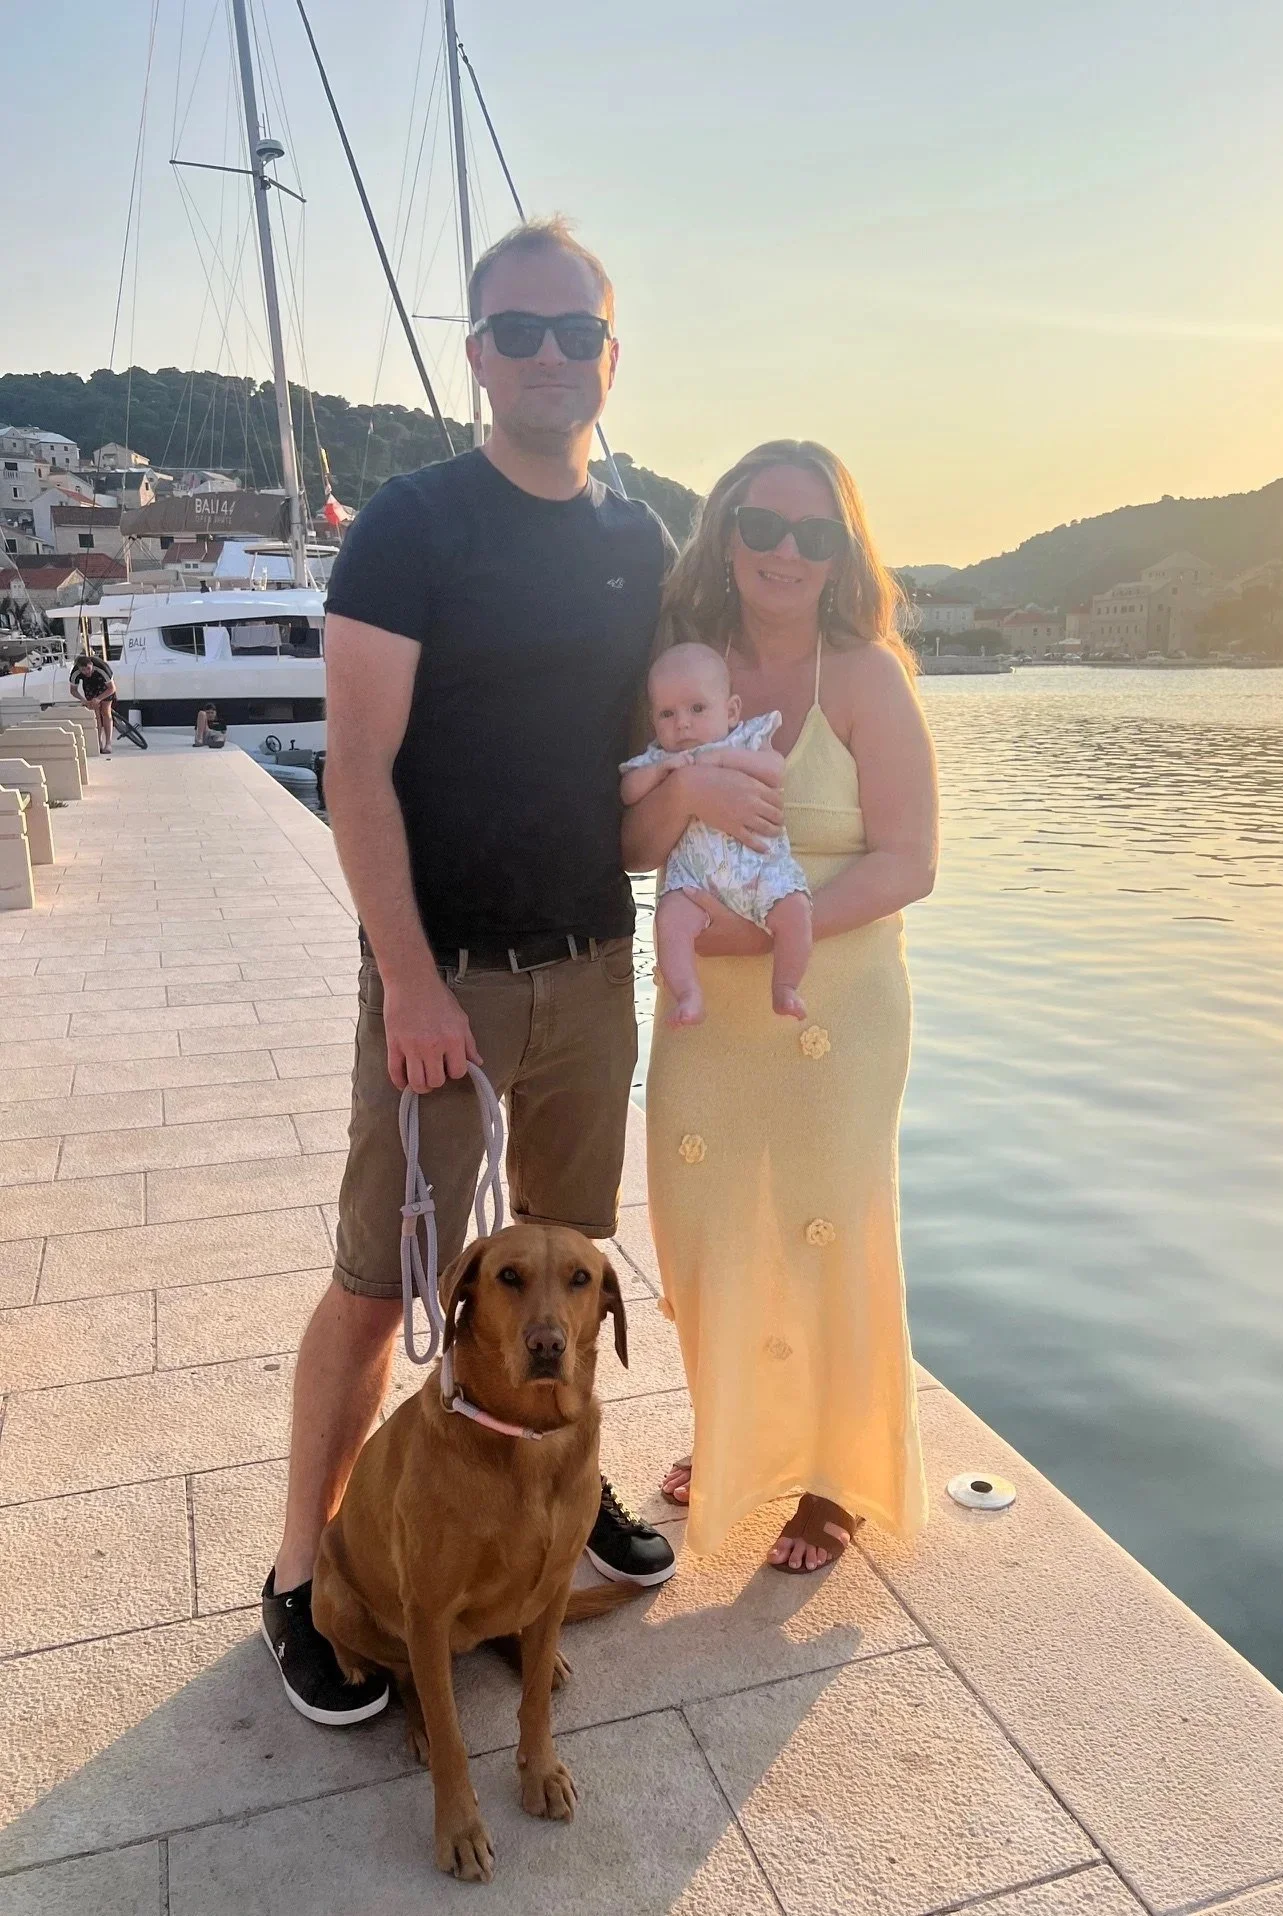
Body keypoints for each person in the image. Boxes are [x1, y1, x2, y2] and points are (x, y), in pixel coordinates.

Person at [261, 216, 687, 1727]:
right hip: (442, 975)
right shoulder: (414, 525)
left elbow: (649, 756)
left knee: (567, 1268)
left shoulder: (636, 543)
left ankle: (561, 1503)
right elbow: (355, 769)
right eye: (521, 331)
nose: (551, 357)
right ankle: (306, 1575)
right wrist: (411, 980)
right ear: (477, 354)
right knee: (385, 1284)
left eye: (578, 332)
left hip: (590, 968)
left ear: (610, 357)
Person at [623, 440, 939, 1573]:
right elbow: (631, 839)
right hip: (710, 1004)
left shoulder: (867, 678)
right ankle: (737, 1434)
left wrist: (767, 930)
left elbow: (911, 859)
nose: (786, 552)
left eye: (815, 533)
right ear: (727, 534)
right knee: (706, 1227)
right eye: (764, 526)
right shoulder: (684, 670)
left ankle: (828, 1481)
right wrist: (685, 790)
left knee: (824, 1226)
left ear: (843, 550)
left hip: (834, 998)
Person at [620, 643, 812, 1025]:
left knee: (796, 911)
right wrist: (664, 772)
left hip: (760, 873)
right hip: (694, 882)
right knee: (669, 920)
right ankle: (688, 994)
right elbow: (628, 790)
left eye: (697, 709)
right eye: (667, 714)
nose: (683, 724)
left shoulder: (743, 740)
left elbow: (775, 769)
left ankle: (786, 985)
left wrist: (723, 759)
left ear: (731, 711)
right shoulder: (661, 757)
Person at [68, 649, 115, 754]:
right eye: (83, 670)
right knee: (95, 714)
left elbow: (112, 688)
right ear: (79, 669)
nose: (86, 672)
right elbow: (73, 690)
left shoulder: (102, 668)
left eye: (88, 669)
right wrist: (83, 700)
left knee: (105, 712)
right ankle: (98, 742)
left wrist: (99, 698)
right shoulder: (75, 672)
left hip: (103, 685)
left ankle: (108, 743)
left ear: (92, 665)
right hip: (89, 685)